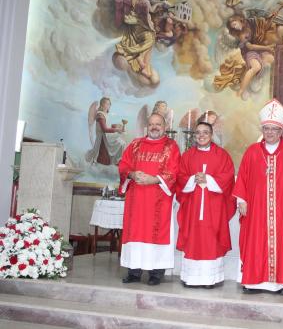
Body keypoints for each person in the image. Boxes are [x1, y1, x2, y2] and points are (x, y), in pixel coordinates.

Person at [233, 99, 283, 295]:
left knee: (281, 242)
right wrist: (241, 200)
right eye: (266, 128)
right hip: (256, 208)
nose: (270, 132)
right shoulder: (252, 151)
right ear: (262, 129)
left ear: (281, 131)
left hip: (282, 211)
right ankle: (252, 282)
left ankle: (280, 283)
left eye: (274, 130)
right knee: (255, 241)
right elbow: (242, 176)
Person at [118, 113, 180, 286]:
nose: (154, 127)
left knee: (157, 234)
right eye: (151, 124)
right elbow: (123, 165)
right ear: (147, 126)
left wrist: (154, 179)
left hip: (158, 197)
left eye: (158, 124)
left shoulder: (171, 146)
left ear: (164, 126)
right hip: (136, 199)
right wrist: (131, 173)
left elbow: (174, 171)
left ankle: (156, 273)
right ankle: (133, 271)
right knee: (135, 233)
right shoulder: (135, 144)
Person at [176, 122, 236, 288]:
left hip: (213, 207)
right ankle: (190, 277)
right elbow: (180, 176)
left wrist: (208, 179)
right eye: (198, 133)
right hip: (193, 206)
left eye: (205, 133)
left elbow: (228, 177)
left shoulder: (222, 155)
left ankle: (211, 279)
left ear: (211, 135)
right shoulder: (187, 156)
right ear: (194, 136)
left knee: (212, 239)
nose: (201, 136)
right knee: (192, 238)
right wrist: (192, 179)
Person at [85, 97, 126, 166]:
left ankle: (117, 162)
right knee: (120, 143)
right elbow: (104, 129)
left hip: (106, 136)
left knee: (122, 143)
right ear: (102, 104)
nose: (108, 105)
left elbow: (108, 125)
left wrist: (116, 125)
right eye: (106, 103)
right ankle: (116, 161)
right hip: (103, 138)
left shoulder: (105, 114)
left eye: (109, 104)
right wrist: (117, 130)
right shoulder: (100, 115)